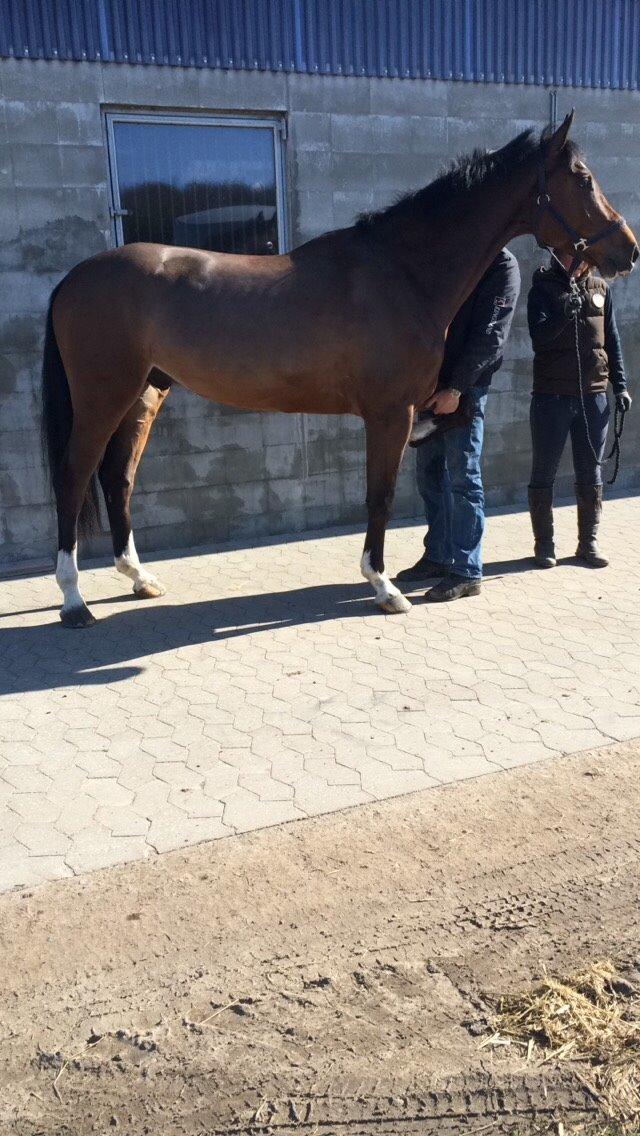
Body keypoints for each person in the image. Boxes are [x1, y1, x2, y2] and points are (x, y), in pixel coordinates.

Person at [397, 248, 521, 601]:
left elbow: (492, 337)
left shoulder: (501, 266)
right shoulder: (454, 257)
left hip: (464, 391)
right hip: (431, 389)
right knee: (429, 476)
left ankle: (467, 570)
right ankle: (438, 555)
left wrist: (456, 389)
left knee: (464, 480)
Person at [527, 252, 632, 569]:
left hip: (593, 396)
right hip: (551, 397)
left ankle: (588, 543)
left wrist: (620, 385)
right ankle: (544, 544)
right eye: (572, 256)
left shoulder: (601, 288)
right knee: (544, 472)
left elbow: (611, 339)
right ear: (558, 256)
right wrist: (564, 314)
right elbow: (539, 339)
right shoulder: (542, 288)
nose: (579, 263)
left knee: (591, 472)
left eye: (583, 258)